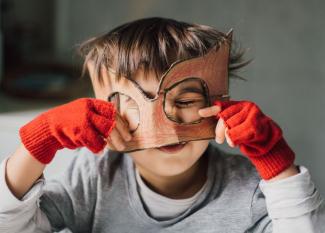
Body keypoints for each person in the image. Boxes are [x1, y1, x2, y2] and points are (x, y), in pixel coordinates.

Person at [0, 17, 324, 233]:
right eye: (137, 107)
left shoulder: (250, 189)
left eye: (185, 101)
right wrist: (37, 144)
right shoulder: (93, 177)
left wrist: (275, 159)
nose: (167, 124)